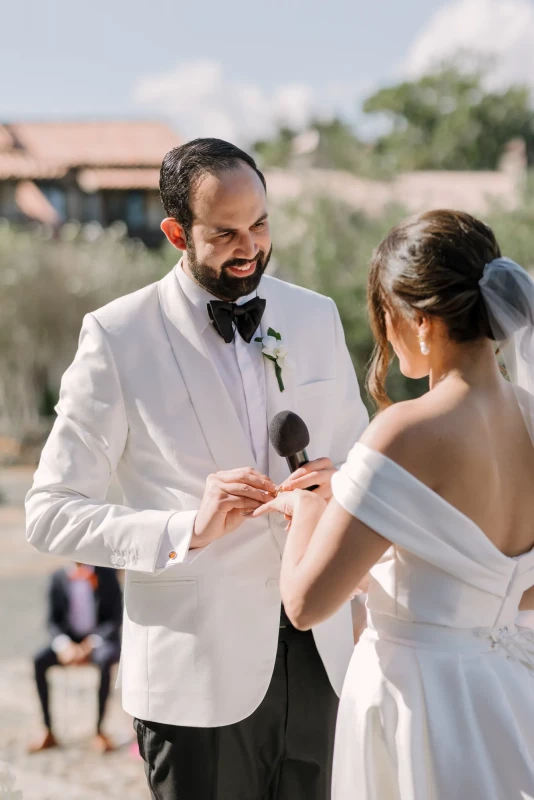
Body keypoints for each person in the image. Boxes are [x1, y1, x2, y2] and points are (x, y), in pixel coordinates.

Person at [25, 138, 369, 799]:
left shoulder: (315, 316)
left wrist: (335, 487)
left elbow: (355, 461)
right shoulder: (117, 336)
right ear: (176, 232)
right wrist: (187, 527)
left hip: (325, 663)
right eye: (226, 233)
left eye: (261, 224)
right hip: (196, 681)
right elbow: (49, 513)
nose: (250, 248)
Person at [256, 210, 534, 800]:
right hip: (510, 696)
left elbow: (307, 603)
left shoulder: (404, 431)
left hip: (421, 706)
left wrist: (310, 509)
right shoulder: (531, 416)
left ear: (419, 318)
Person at [29, 563, 122, 754]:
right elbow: (52, 622)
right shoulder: (57, 576)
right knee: (39, 660)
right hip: (69, 642)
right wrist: (65, 645)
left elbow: (115, 618)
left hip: (98, 641)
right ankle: (48, 730)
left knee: (105, 661)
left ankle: (99, 730)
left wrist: (90, 645)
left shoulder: (107, 574)